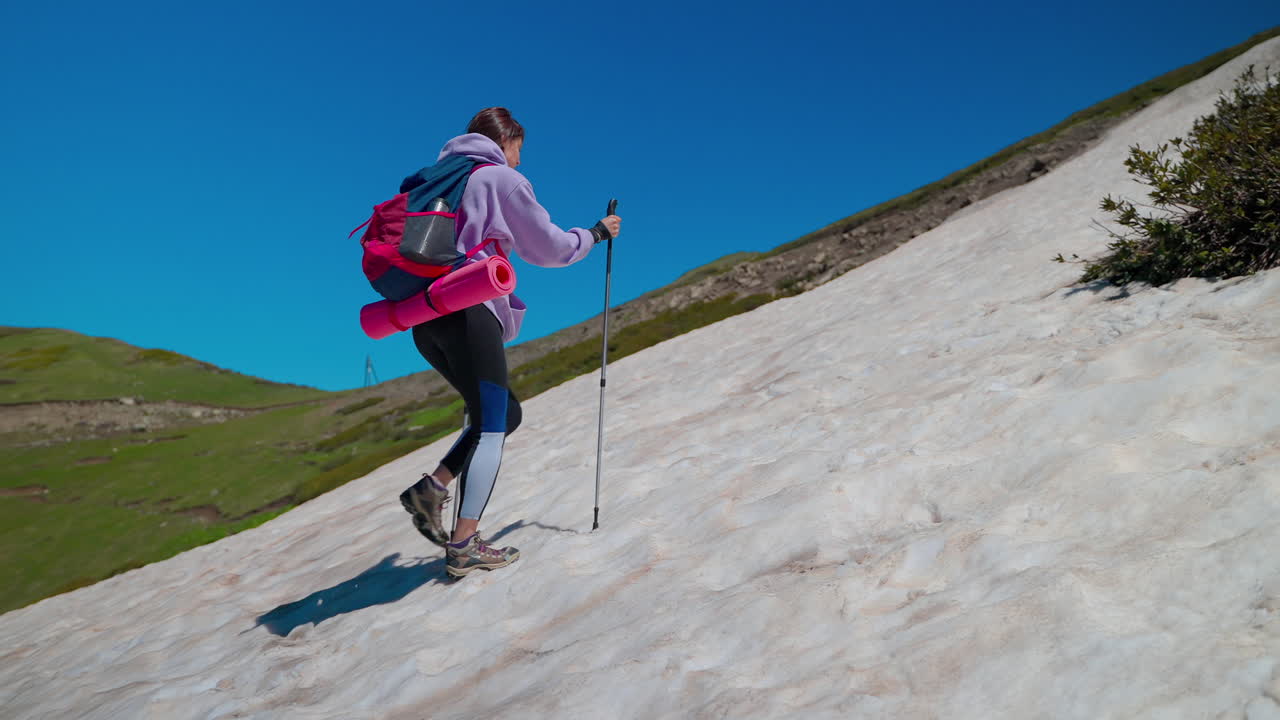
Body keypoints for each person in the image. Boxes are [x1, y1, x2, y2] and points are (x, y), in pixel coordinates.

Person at [398, 107, 621, 578]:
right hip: (469, 312)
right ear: (506, 142)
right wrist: (596, 233)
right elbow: (550, 248)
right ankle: (464, 543)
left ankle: (432, 488)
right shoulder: (500, 179)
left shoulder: (435, 181)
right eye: (518, 151)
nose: (519, 162)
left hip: (425, 316)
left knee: (501, 414)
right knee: (494, 427)